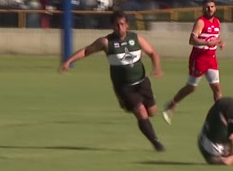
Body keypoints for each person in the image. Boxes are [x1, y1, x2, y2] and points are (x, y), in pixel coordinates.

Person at [59, 10, 166, 152]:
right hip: (124, 87)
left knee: (152, 112)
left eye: (122, 24)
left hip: (142, 82)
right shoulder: (106, 42)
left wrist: (157, 68)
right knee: (141, 111)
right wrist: (69, 61)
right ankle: (156, 143)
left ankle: (134, 106)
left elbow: (153, 53)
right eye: (116, 25)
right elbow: (86, 51)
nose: (120, 28)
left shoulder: (136, 38)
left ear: (127, 25)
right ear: (112, 26)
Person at [162, 0, 225, 124]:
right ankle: (171, 104)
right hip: (199, 58)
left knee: (217, 88)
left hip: (211, 58)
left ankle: (220, 115)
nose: (210, 9)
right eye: (207, 7)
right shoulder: (200, 22)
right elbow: (192, 40)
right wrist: (207, 43)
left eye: (212, 6)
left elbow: (215, 37)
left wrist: (220, 42)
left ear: (215, 8)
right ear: (203, 8)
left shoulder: (217, 22)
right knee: (191, 88)